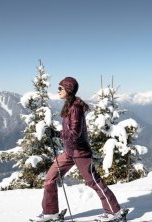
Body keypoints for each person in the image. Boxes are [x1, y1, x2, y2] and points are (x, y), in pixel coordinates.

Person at [33, 77, 124, 222]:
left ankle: (114, 212)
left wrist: (56, 134)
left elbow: (75, 133)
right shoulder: (70, 105)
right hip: (70, 152)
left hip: (80, 152)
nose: (58, 91)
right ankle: (50, 212)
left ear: (68, 90)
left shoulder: (75, 108)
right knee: (50, 177)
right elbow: (70, 131)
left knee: (93, 181)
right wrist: (57, 133)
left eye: (60, 88)